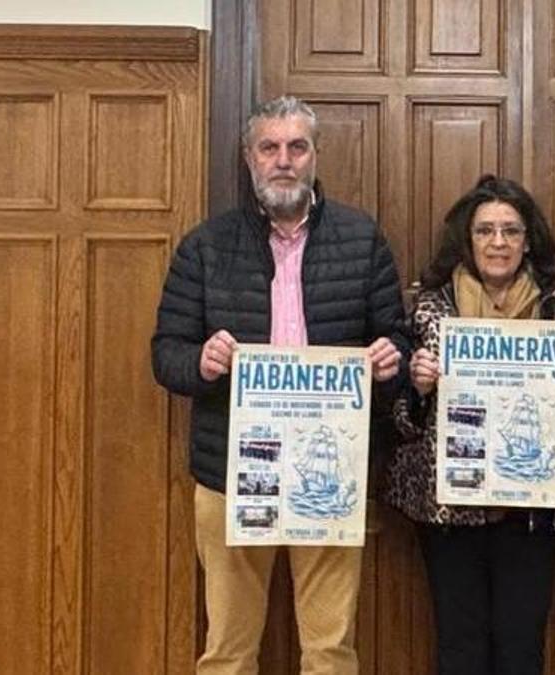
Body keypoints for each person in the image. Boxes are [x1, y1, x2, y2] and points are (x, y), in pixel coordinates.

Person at [151, 95, 411, 674]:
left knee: (330, 649)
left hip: (332, 474)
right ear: (249, 159)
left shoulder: (361, 238)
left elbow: (397, 338)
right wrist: (202, 361)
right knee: (228, 649)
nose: (284, 160)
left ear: (315, 156)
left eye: (297, 147)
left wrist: (390, 360)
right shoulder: (205, 245)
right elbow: (165, 355)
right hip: (230, 475)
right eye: (270, 148)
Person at [385, 175, 555, 675]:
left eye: (510, 230)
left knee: (521, 646)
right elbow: (398, 420)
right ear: (467, 240)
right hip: (449, 509)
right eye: (485, 230)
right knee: (459, 646)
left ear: (527, 239)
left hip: (530, 511)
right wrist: (418, 390)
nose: (498, 242)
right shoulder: (430, 307)